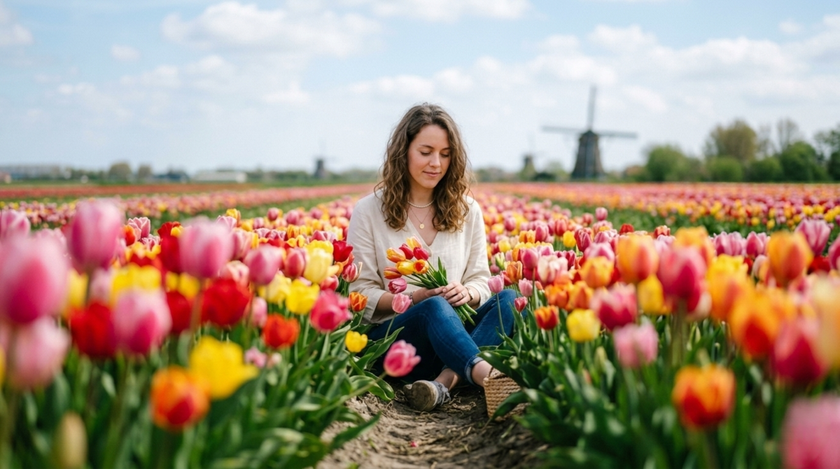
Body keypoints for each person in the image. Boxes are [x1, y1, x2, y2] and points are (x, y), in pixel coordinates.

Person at [347, 103, 517, 412]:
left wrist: (468, 293)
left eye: (445, 154)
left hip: (454, 337)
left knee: (510, 300)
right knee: (433, 306)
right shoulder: (369, 211)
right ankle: (487, 375)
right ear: (404, 152)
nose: (436, 163)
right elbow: (359, 292)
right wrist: (412, 299)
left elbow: (481, 279)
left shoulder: (467, 210)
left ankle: (442, 383)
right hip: (400, 343)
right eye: (426, 152)